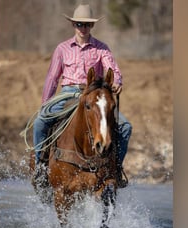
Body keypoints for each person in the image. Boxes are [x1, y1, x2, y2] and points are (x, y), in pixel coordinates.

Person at [33, 3, 132, 188]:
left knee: (126, 127)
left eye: (86, 25)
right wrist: (45, 103)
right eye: (79, 24)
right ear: (73, 25)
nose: (83, 28)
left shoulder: (102, 48)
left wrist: (117, 81)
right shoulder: (62, 49)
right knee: (40, 122)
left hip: (94, 94)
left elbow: (113, 69)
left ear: (92, 26)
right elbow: (52, 78)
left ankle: (116, 169)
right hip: (68, 92)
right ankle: (41, 165)